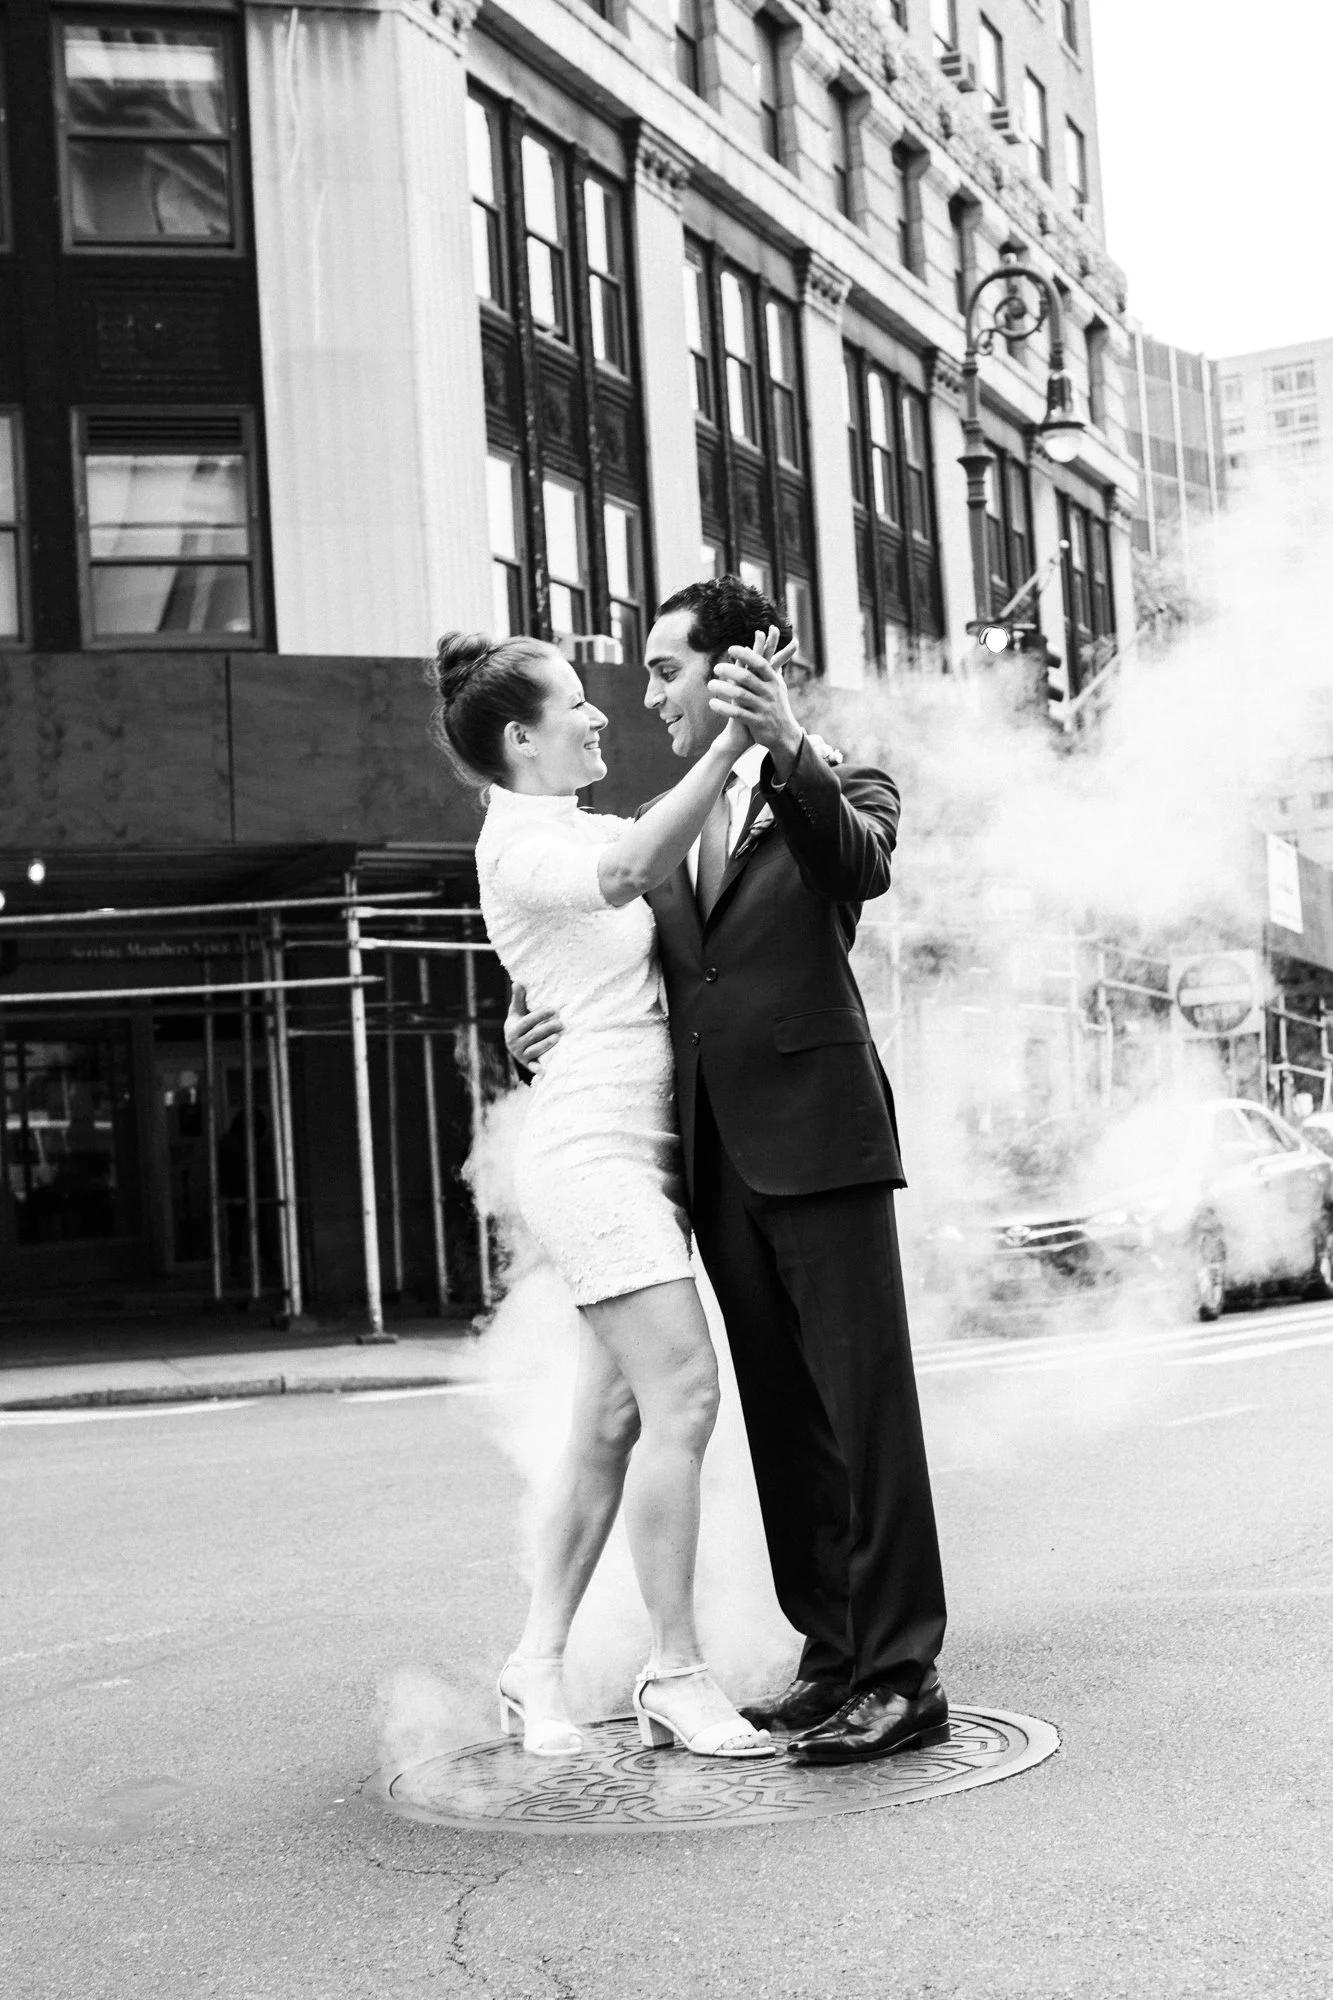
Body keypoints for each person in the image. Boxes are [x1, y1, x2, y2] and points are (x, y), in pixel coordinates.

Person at [508, 575, 948, 1766]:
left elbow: (858, 869)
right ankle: (833, 1654)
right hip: (710, 1158)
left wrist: (789, 741)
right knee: (786, 1422)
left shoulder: (840, 779)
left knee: (865, 1412)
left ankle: (902, 1672)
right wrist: (524, 1020)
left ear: (736, 666)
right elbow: (601, 950)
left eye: (666, 669)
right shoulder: (663, 818)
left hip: (821, 1140)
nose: (648, 693)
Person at [428, 624, 794, 1762]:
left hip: (642, 1152)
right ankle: (673, 1671)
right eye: (576, 703)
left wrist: (776, 749)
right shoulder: (517, 847)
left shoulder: (574, 827)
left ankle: (534, 1661)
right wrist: (729, 737)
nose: (599, 717)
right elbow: (632, 872)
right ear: (519, 738)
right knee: (683, 1394)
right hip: (592, 1158)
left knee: (610, 1421)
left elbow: (647, 869)